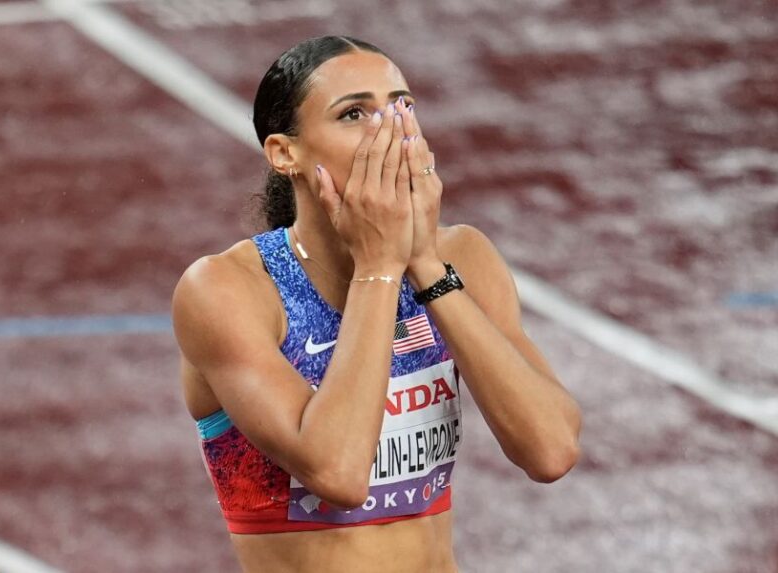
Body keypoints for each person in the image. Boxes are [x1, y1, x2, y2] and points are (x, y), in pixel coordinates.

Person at [171, 35, 582, 573]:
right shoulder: (228, 290)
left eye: (401, 106)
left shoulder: (461, 257)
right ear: (285, 153)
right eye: (354, 113)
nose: (390, 131)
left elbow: (551, 451)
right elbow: (338, 473)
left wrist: (425, 265)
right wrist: (380, 268)